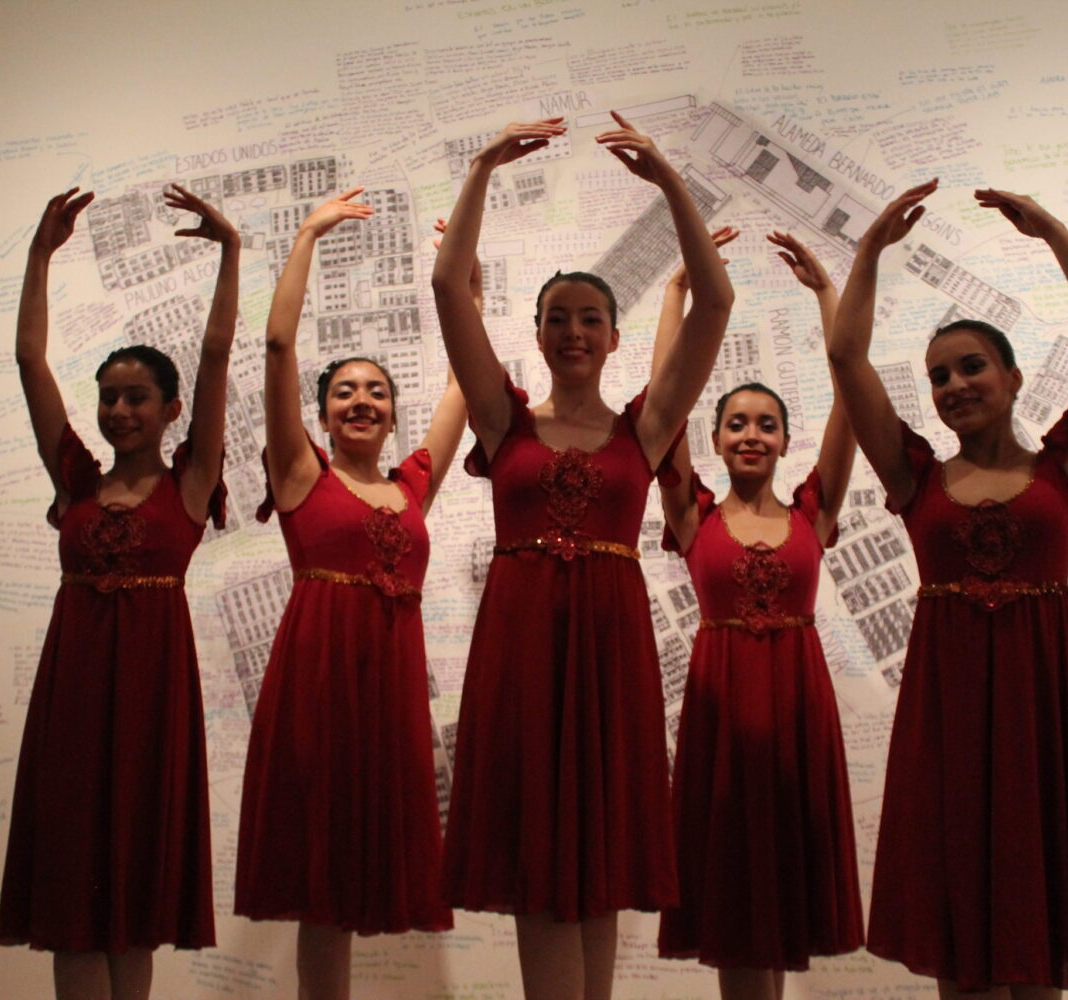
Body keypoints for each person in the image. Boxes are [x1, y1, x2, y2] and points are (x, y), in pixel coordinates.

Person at [433, 113, 734, 1000]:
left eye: (590, 319)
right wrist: (482, 166)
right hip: (522, 647)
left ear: (613, 337)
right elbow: (449, 286)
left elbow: (716, 303)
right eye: (558, 319)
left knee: (601, 856)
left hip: (608, 649)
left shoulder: (648, 426)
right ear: (537, 335)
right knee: (536, 856)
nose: (574, 331)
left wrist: (670, 182)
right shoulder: (503, 419)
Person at [826, 179, 1068, 998]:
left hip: (1043, 701)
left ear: (1013, 377)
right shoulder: (913, 476)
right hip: (948, 708)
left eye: (972, 367)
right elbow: (846, 357)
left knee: (1038, 923)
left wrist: (1054, 232)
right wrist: (868, 251)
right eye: (939, 377)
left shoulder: (1065, 464)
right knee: (960, 923)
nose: (955, 385)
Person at [0, 184, 239, 1000]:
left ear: (171, 410)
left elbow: (215, 357)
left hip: (151, 700)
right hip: (72, 697)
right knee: (72, 892)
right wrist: (40, 256)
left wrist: (231, 253)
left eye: (137, 397)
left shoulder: (190, 484)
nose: (120, 410)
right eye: (109, 397)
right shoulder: (75, 479)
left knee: (133, 895)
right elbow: (30, 362)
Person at [234, 189, 468, 1000]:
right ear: (324, 416)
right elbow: (276, 346)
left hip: (390, 690)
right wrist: (307, 235)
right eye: (344, 392)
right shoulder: (302, 472)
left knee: (362, 872)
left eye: (376, 392)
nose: (362, 400)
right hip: (319, 684)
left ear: (393, 415)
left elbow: (464, 387)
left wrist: (466, 291)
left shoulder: (412, 488)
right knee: (319, 879)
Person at [653, 230, 863, 1000]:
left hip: (799, 712)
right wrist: (675, 294)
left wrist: (828, 296)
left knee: (785, 885)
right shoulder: (692, 513)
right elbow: (664, 405)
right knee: (734, 885)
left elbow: (852, 401)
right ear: (714, 439)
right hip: (721, 716)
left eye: (765, 424)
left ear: (783, 441)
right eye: (736, 424)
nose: (750, 435)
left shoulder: (814, 511)